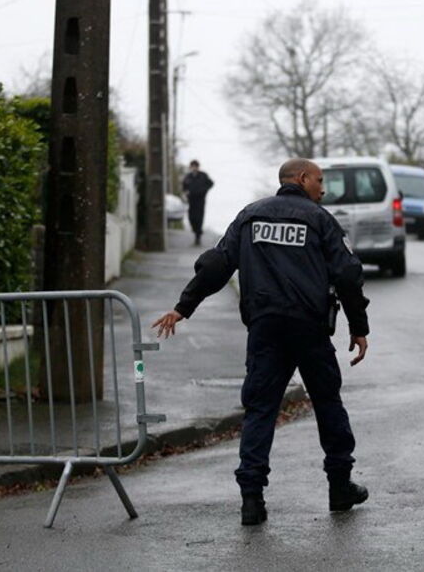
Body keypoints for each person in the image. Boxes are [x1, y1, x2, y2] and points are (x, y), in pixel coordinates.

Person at [152, 158, 371, 526]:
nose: (323, 188)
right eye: (319, 180)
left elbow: (217, 264)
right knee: (327, 402)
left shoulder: (250, 216)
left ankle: (251, 500)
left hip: (265, 327)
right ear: (301, 179)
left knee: (260, 410)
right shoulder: (320, 220)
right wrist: (358, 327)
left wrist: (183, 307)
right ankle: (339, 487)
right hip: (308, 327)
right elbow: (348, 274)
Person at [182, 159, 214, 246]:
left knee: (199, 217)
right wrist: (185, 192)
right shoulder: (188, 177)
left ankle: (198, 236)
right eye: (192, 166)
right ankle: (196, 230)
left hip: (200, 200)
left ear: (198, 167)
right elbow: (184, 187)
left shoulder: (203, 175)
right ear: (190, 167)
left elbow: (211, 183)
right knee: (191, 217)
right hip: (191, 200)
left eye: (195, 166)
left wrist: (204, 190)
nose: (194, 168)